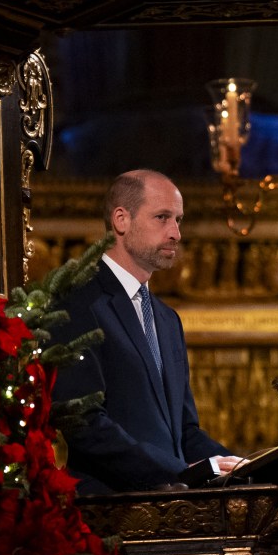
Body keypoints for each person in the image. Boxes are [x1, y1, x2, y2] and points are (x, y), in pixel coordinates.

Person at [51, 169, 241, 494]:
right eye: (162, 217)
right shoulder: (79, 300)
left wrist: (238, 466)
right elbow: (83, 421)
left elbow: (184, 431)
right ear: (121, 220)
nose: (176, 233)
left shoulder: (168, 320)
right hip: (111, 513)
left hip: (171, 512)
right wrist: (177, 472)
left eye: (178, 220)